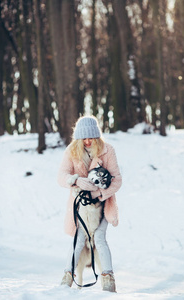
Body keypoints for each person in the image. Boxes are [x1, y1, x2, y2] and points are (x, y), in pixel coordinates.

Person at [57, 115, 122, 292]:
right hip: (80, 208)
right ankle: (67, 277)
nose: (87, 141)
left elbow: (117, 181)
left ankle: (108, 280)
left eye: (91, 138)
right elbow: (61, 177)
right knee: (78, 241)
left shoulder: (108, 150)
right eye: (83, 138)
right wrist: (76, 180)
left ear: (97, 136)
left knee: (100, 239)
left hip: (102, 206)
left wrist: (98, 193)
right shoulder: (71, 151)